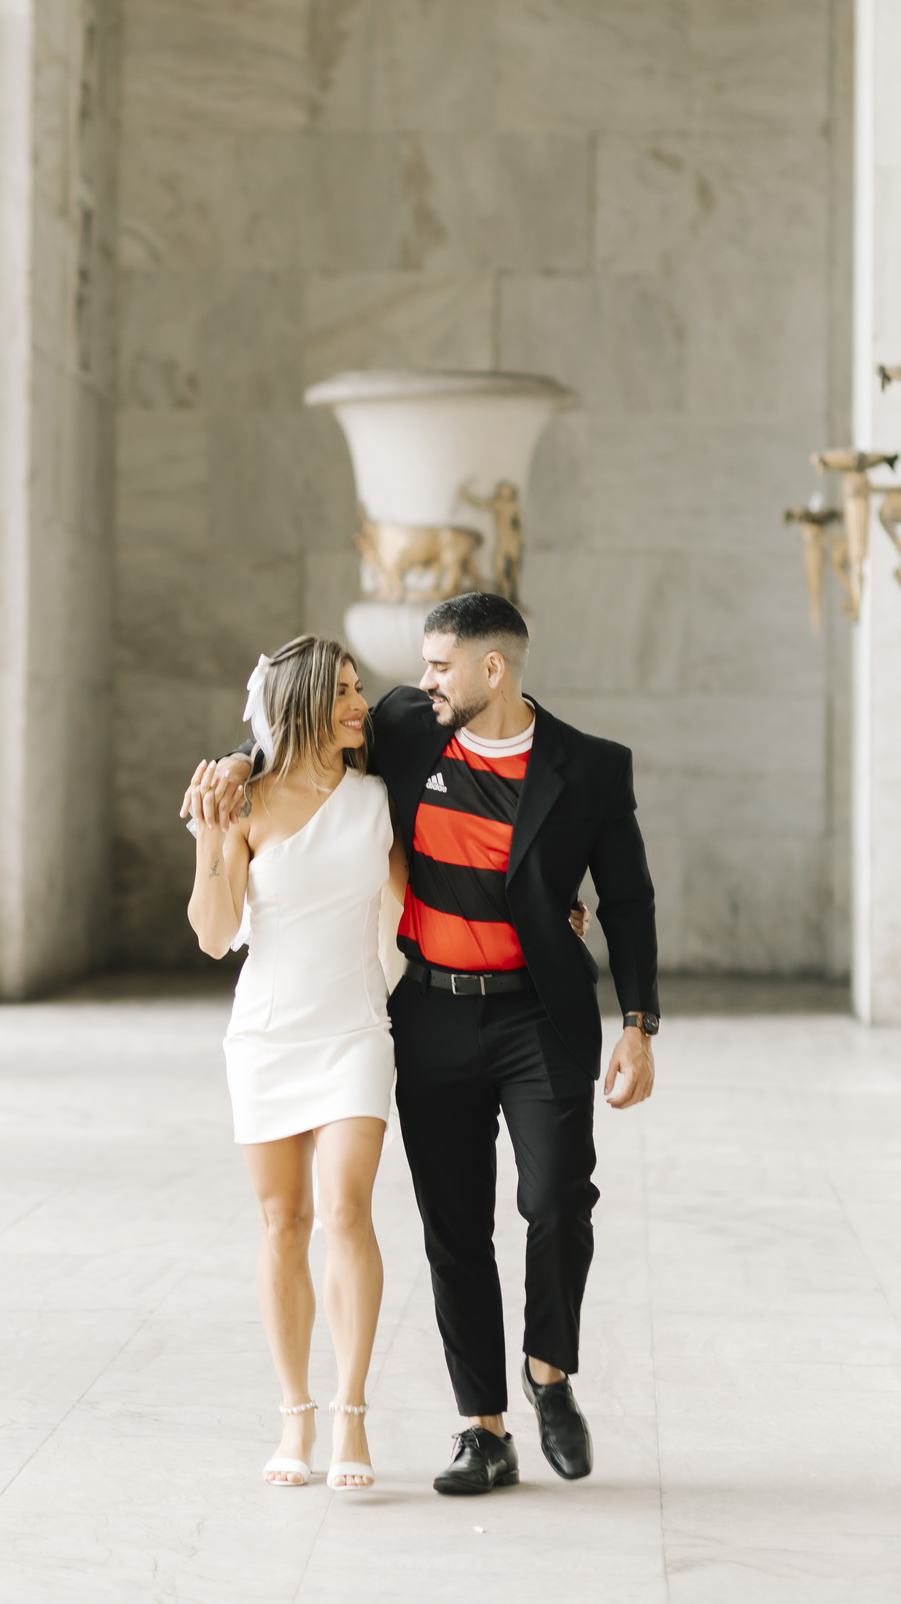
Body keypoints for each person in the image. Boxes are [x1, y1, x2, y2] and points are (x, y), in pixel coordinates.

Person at [202, 592, 658, 1496]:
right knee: (454, 1226)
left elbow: (630, 899)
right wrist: (234, 764)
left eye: (440, 665)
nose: (419, 682)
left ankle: (548, 1373)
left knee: (558, 1197)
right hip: (432, 1015)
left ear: (494, 668)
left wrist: (639, 1025)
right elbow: (298, 733)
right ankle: (483, 1430)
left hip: (539, 1014)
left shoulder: (593, 769)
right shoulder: (411, 726)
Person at [184, 636, 406, 1491]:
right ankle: (294, 1412)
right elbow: (213, 935)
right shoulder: (240, 802)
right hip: (268, 1038)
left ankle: (351, 1413)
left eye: (357, 688)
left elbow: (420, 902)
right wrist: (212, 839)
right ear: (303, 702)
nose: (360, 705)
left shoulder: (377, 800)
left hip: (355, 1031)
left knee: (346, 1211)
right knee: (283, 1222)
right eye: (343, 691)